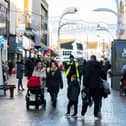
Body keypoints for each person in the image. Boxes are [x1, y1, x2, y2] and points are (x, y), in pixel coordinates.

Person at [81, 55, 104, 120]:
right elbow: (103, 75)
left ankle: (83, 114)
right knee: (96, 101)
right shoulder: (99, 65)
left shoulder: (88, 65)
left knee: (85, 100)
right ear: (95, 59)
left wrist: (84, 84)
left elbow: (86, 75)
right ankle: (95, 116)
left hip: (89, 86)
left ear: (91, 59)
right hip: (97, 86)